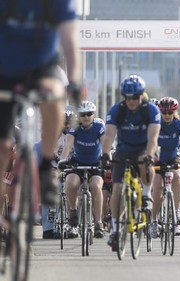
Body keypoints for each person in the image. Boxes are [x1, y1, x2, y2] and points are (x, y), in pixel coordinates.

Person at [0, 1, 82, 206]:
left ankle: (46, 165)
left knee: (55, 94)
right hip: (7, 70)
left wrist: (75, 81)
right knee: (3, 145)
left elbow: (70, 40)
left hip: (43, 68)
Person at [101, 75, 161, 250]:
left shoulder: (150, 111)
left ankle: (147, 194)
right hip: (124, 150)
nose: (131, 101)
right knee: (117, 189)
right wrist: (105, 153)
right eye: (128, 98)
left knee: (145, 161)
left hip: (144, 148)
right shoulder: (117, 110)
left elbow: (153, 138)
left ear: (141, 95)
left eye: (135, 97)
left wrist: (150, 155)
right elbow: (109, 135)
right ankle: (114, 229)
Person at [59, 101, 106, 239]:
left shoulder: (99, 126)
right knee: (71, 183)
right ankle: (73, 216)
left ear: (94, 114)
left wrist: (107, 157)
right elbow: (68, 145)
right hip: (77, 163)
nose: (86, 117)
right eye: (82, 114)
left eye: (89, 114)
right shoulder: (74, 127)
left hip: (95, 164)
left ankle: (98, 223)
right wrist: (63, 160)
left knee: (96, 186)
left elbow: (105, 143)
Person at [149, 97, 180, 238]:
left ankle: (177, 212)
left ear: (174, 112)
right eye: (164, 112)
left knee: (178, 176)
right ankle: (154, 221)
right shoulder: (156, 124)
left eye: (169, 112)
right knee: (157, 189)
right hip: (158, 159)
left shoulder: (179, 125)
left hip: (173, 158)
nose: (167, 115)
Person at [39, 109, 76, 239]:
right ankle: (48, 228)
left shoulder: (76, 134)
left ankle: (71, 225)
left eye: (69, 123)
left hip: (72, 168)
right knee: (50, 191)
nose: (67, 126)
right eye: (64, 123)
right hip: (55, 167)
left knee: (73, 188)